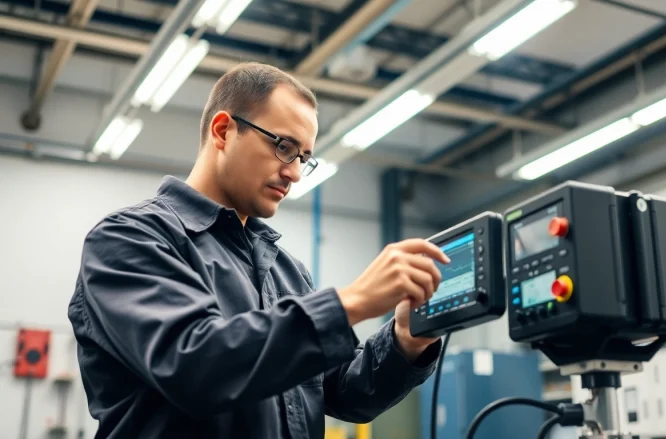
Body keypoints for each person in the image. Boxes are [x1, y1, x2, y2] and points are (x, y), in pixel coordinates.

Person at [67, 62, 450, 439]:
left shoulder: (286, 270)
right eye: (284, 146)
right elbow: (195, 365)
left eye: (303, 157)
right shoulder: (129, 239)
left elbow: (342, 390)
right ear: (223, 131)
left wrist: (405, 338)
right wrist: (351, 302)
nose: (295, 173)